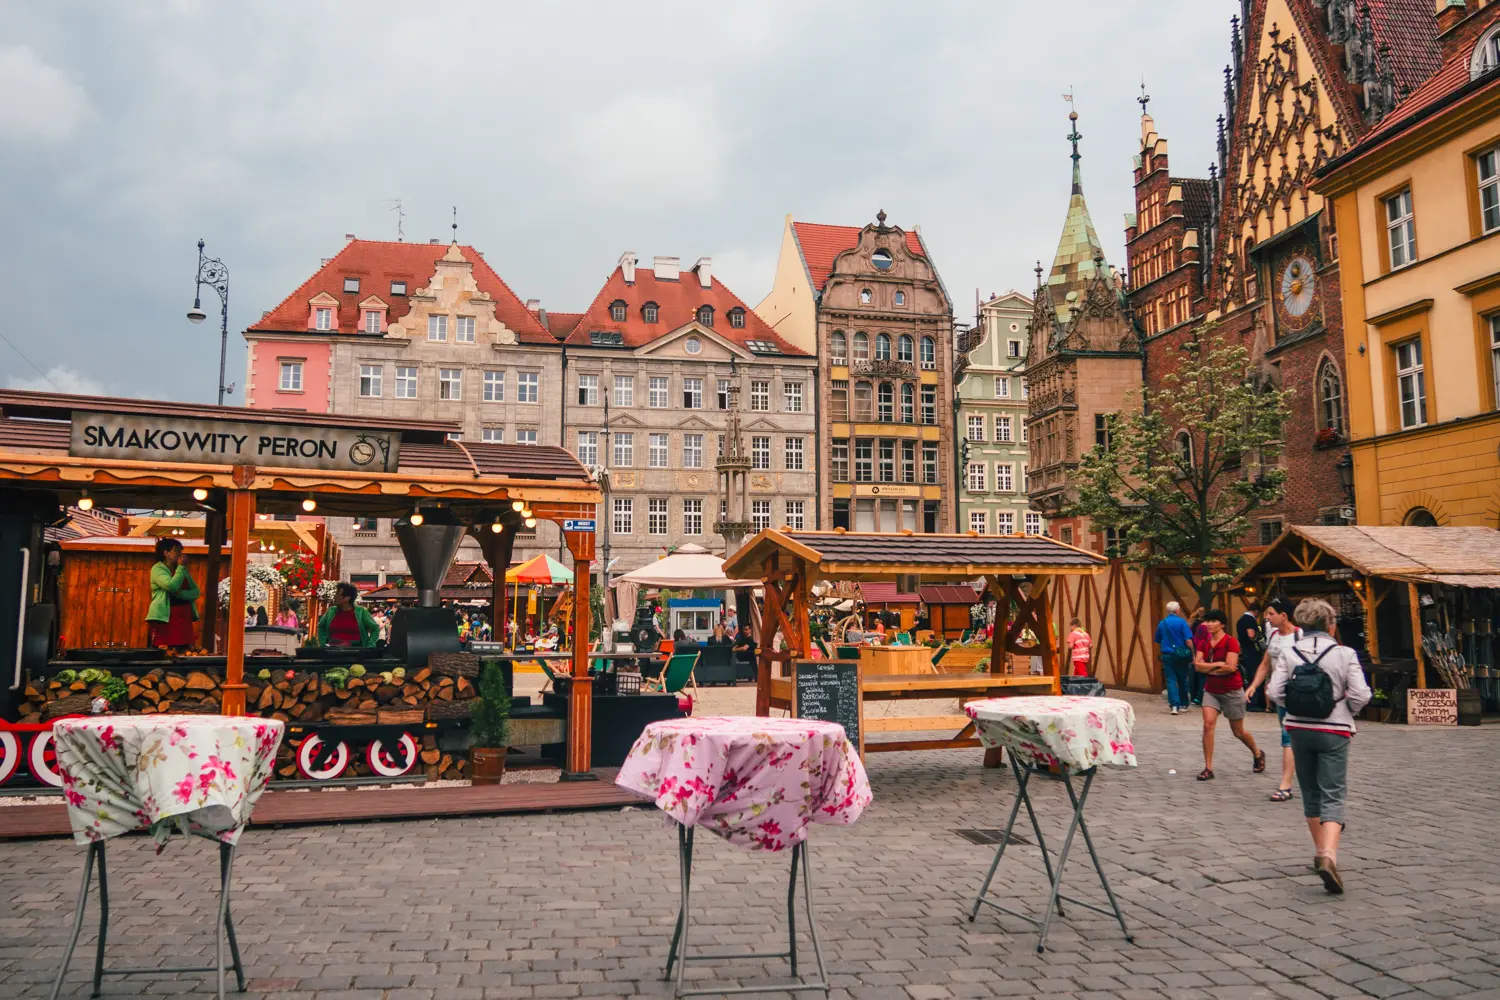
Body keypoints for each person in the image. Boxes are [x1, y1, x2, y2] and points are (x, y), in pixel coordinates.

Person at [1266, 598, 1371, 894]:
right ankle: (1328, 855)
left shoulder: (1289, 651)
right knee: (1333, 793)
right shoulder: (1344, 653)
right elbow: (1361, 694)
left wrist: (1297, 707)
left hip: (1299, 728)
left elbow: (1275, 692)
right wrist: (1347, 709)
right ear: (1330, 624)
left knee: (1310, 791)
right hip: (1335, 729)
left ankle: (1319, 850)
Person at [1194, 608, 1265, 781]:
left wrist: (1209, 667)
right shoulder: (1203, 642)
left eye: (1213, 621)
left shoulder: (1230, 642)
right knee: (1207, 725)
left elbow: (1231, 667)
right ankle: (1208, 768)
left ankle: (1257, 753)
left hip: (1232, 690)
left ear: (1222, 624)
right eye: (1207, 621)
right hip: (1211, 690)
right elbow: (1197, 666)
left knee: (1238, 731)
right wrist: (1217, 665)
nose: (1209, 624)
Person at [1247, 597, 1301, 802]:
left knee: (1289, 738)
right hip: (1279, 695)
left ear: (1283, 615)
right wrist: (1254, 685)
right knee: (1291, 738)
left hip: (1298, 693)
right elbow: (1265, 664)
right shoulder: (1274, 636)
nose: (1267, 618)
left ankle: (1285, 785)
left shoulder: (1300, 636)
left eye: (1270, 613)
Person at [146, 537, 200, 652]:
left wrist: (179, 594)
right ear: (165, 553)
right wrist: (181, 568)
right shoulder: (158, 569)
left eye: (181, 551)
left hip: (184, 618)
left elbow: (195, 591)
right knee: (166, 649)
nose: (180, 554)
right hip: (166, 617)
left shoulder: (181, 570)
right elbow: (171, 586)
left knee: (184, 650)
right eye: (176, 551)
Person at [1154, 602, 1195, 715]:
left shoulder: (1162, 623)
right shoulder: (1182, 622)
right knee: (1182, 679)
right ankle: (1184, 704)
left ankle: (1174, 706)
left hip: (1167, 655)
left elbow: (1157, 639)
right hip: (1181, 655)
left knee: (1171, 680)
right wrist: (1193, 653)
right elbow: (1188, 640)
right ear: (1178, 610)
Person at [317, 582, 379, 647]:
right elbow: (321, 627)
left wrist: (370, 646)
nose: (335, 597)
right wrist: (323, 642)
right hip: (333, 650)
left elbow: (375, 628)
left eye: (338, 594)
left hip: (356, 651)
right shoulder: (331, 611)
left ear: (347, 598)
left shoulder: (361, 612)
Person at [1237, 600, 1267, 711]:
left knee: (1249, 675)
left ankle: (1251, 702)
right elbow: (1251, 634)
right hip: (1252, 651)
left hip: (1245, 650)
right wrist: (1258, 639)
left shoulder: (1241, 619)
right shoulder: (1250, 619)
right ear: (1256, 611)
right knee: (1255, 675)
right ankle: (1254, 703)